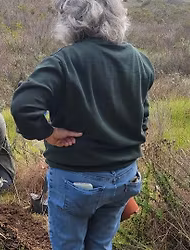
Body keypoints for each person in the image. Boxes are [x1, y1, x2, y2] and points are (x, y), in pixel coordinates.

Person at [11, 0, 154, 249]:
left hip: (76, 180)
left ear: (72, 20)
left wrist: (49, 133)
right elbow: (143, 115)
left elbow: (23, 106)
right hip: (125, 178)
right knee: (101, 245)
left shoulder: (63, 62)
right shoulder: (139, 60)